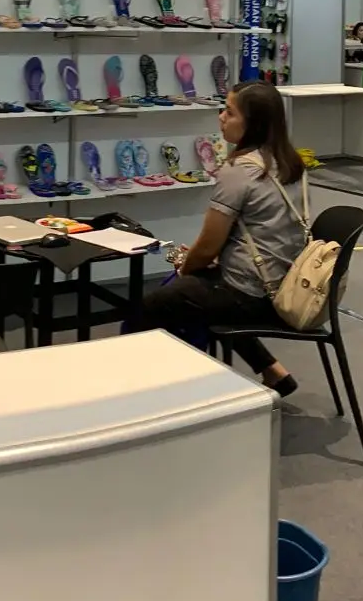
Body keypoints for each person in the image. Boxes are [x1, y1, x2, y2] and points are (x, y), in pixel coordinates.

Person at [124, 81, 310, 396]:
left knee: (152, 305)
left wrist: (186, 266)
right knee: (202, 289)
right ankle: (273, 371)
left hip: (253, 294)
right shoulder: (291, 163)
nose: (221, 117)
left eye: (230, 112)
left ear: (253, 123)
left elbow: (208, 245)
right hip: (285, 283)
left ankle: (138, 391)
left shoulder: (239, 171)